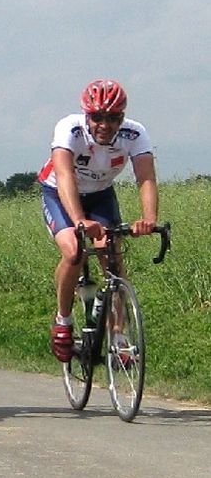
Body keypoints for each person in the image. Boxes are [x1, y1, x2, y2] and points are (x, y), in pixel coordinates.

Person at [38, 79, 158, 363]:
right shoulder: (70, 128)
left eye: (114, 117)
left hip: (101, 194)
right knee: (73, 251)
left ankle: (119, 334)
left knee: (112, 254)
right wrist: (79, 220)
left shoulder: (135, 133)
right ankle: (63, 319)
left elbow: (146, 178)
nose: (105, 124)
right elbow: (65, 174)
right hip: (59, 193)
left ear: (123, 116)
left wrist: (149, 219)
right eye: (97, 117)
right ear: (86, 114)